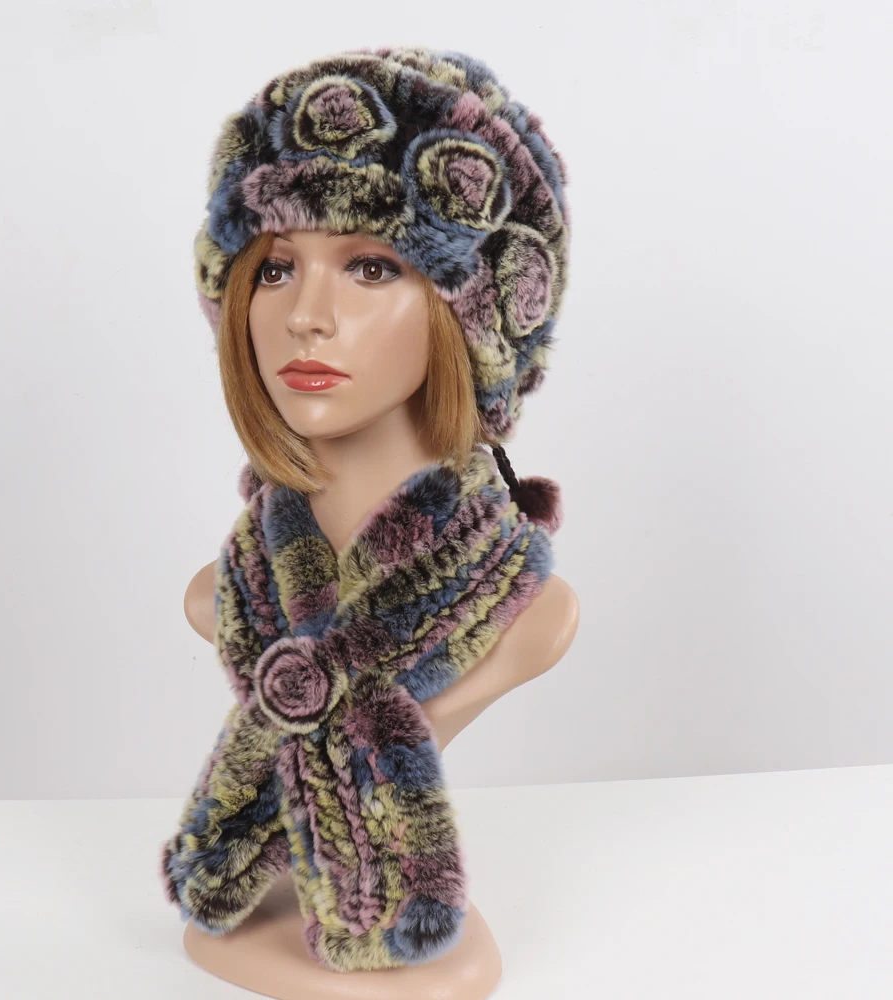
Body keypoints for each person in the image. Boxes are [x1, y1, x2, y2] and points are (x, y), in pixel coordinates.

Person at [160, 45, 580, 996]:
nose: (307, 315)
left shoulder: (533, 618)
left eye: (371, 265)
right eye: (275, 268)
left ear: (474, 316)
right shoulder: (219, 597)